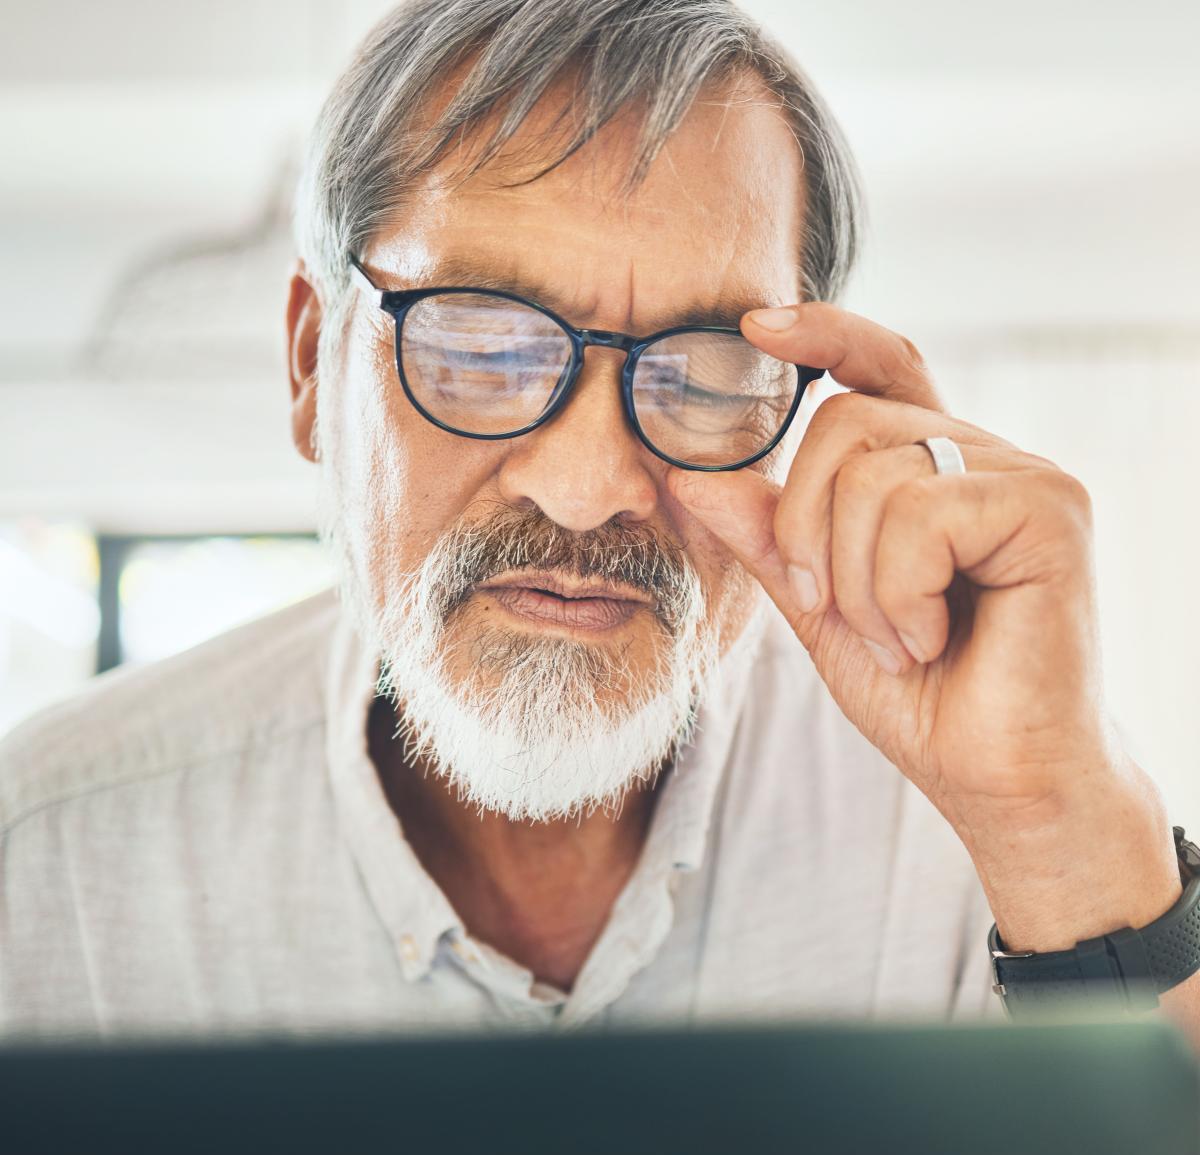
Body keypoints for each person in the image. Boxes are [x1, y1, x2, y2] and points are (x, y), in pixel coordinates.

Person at [3, 0, 1197, 1040]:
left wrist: (1053, 815)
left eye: (704, 365)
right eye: (475, 343)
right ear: (316, 366)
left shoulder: (970, 829)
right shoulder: (43, 864)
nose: (588, 488)